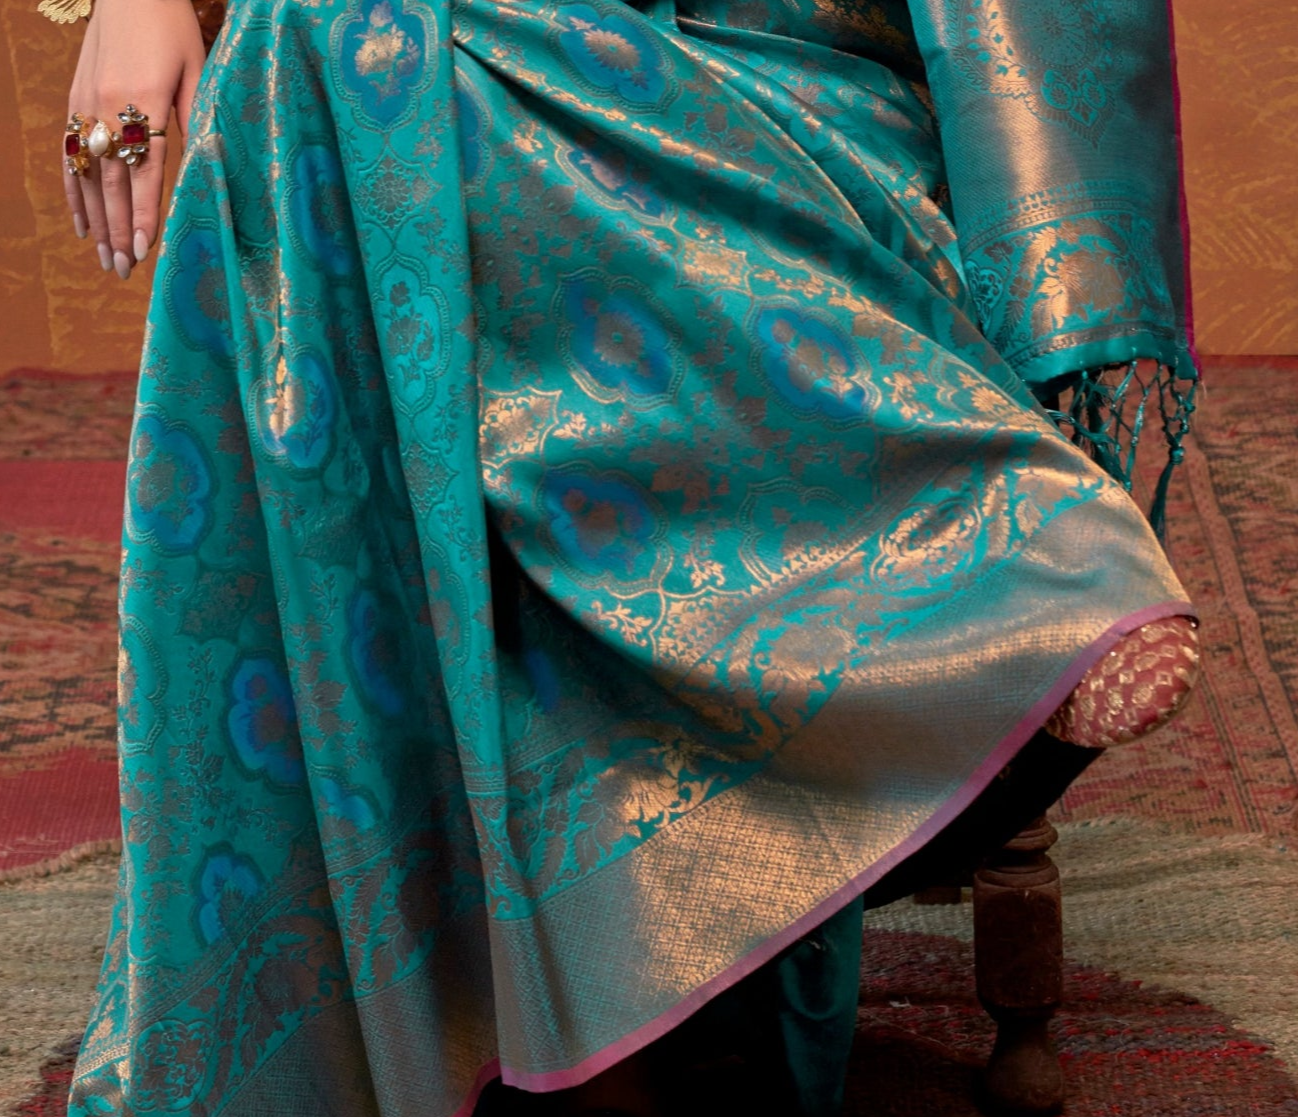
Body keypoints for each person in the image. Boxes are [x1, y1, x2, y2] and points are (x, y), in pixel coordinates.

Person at [58, 0, 1201, 1112]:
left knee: (378, 76)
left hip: (769, 76)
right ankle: (988, 551)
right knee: (336, 53)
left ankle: (996, 536)